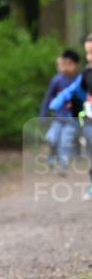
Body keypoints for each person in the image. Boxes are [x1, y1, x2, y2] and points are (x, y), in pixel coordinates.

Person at [49, 34, 92, 200]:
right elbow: (74, 89)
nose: (90, 57)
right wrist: (61, 99)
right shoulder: (87, 72)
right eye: (88, 53)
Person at [40, 49, 83, 174]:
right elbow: (47, 98)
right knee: (52, 139)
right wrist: (44, 115)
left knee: (65, 142)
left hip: (72, 119)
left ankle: (63, 167)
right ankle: (52, 158)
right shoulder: (57, 81)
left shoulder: (81, 80)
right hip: (58, 117)